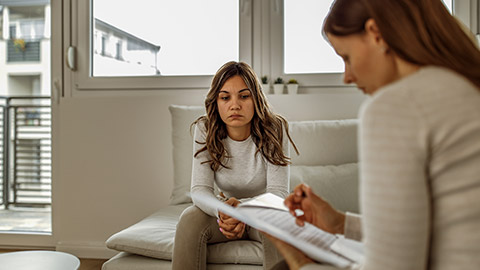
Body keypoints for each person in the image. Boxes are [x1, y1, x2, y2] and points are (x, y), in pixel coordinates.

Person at [266, 0, 480, 269]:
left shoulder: (396, 106)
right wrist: (342, 223)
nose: (347, 76)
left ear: (376, 33)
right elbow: (438, 226)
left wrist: (298, 260)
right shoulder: (465, 85)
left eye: (346, 57)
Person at [172, 61, 299, 270]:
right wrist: (224, 211)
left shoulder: (275, 128)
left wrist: (244, 210)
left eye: (244, 96)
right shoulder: (205, 128)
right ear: (217, 101)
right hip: (225, 215)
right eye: (225, 97)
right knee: (189, 218)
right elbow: (200, 190)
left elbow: (277, 192)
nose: (235, 105)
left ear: (256, 98)